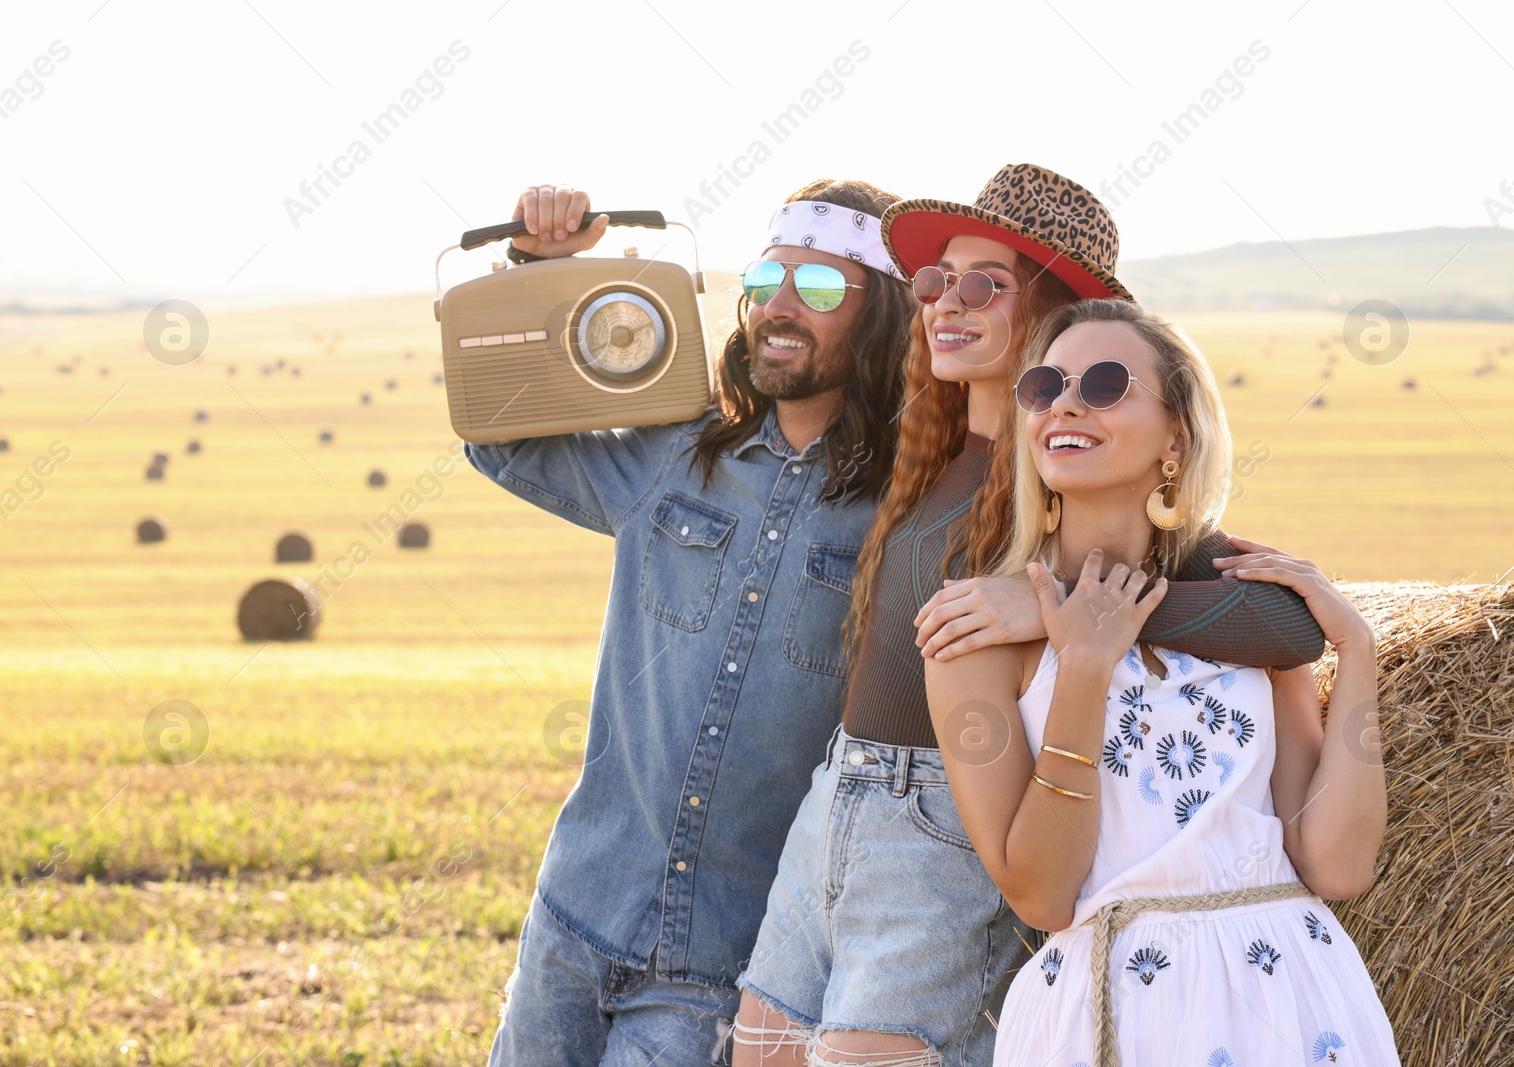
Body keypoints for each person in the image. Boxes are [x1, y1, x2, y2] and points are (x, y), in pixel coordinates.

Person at [732, 165, 1330, 1067]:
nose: (945, 303)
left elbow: (1287, 626)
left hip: (950, 818)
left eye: (984, 284)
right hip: (840, 798)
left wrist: (1060, 609)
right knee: (761, 1051)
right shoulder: (921, 445)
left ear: (1055, 313)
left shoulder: (1070, 479)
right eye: (935, 282)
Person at [465, 180, 917, 1066]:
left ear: (882, 315)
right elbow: (501, 434)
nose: (781, 307)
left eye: (820, 289)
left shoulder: (904, 512)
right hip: (575, 911)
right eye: (766, 278)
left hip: (723, 962)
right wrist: (541, 269)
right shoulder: (674, 451)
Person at [925, 297, 1400, 1066]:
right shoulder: (977, 636)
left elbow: (1338, 865)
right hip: (1113, 1012)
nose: (1066, 403)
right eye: (1044, 387)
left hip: (1299, 998)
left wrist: (1357, 645)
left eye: (1106, 383)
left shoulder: (1244, 616)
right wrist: (1081, 666)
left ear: (1175, 437)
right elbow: (1042, 894)